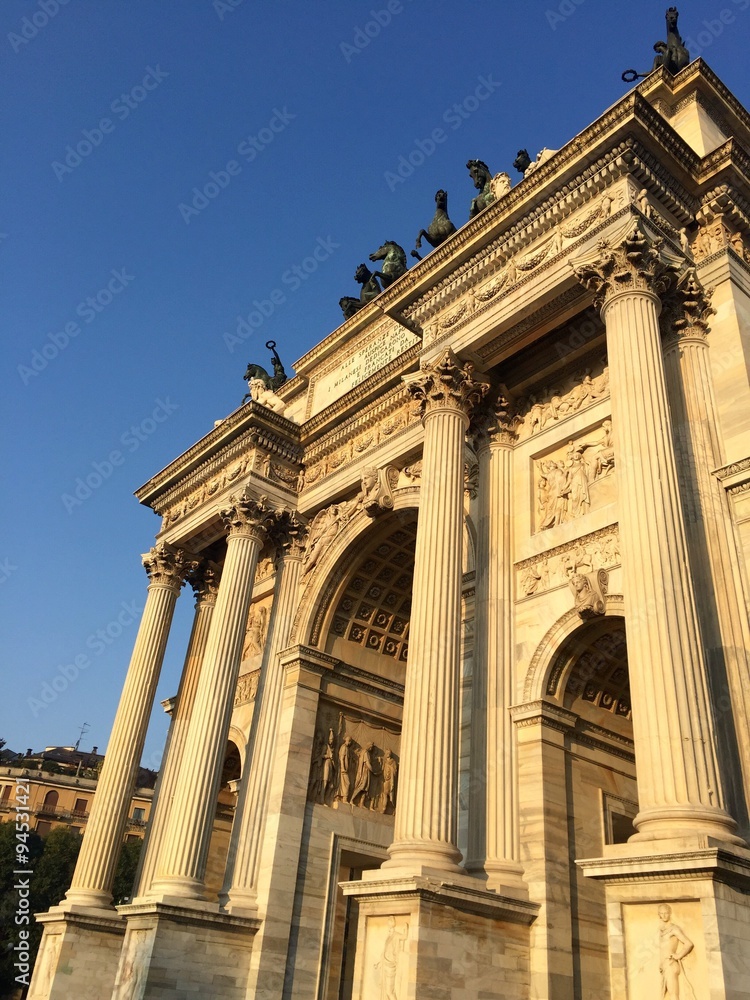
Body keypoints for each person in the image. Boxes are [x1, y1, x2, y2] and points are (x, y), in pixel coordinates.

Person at [658, 904, 694, 998]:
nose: (664, 915)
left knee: (673, 994)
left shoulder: (674, 929)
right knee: (666, 994)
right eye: (662, 913)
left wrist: (678, 955)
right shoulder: (661, 930)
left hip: (670, 964)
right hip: (664, 965)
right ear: (659, 915)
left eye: (666, 913)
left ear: (670, 913)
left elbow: (688, 943)